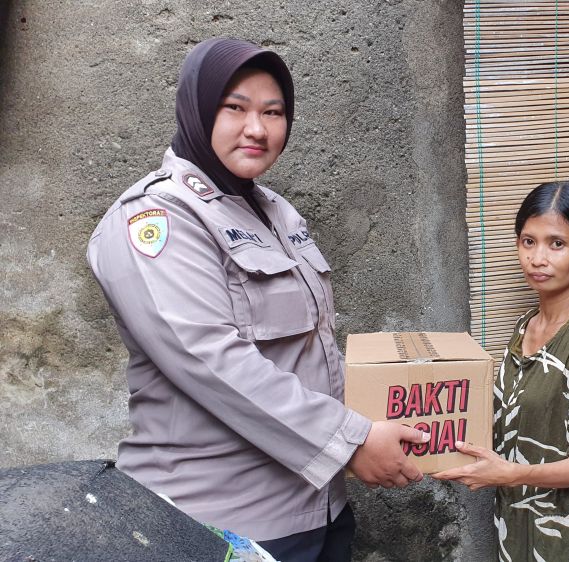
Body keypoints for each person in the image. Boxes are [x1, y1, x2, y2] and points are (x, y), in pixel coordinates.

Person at [86, 38, 429, 562]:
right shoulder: (157, 219)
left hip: (316, 507)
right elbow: (210, 359)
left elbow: (309, 348)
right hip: (222, 524)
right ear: (198, 111)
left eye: (274, 112)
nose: (258, 129)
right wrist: (354, 441)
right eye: (236, 108)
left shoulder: (274, 212)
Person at [434, 182, 569, 561]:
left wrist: (512, 475)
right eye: (528, 242)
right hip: (515, 534)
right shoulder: (524, 328)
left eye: (556, 244)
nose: (537, 258)